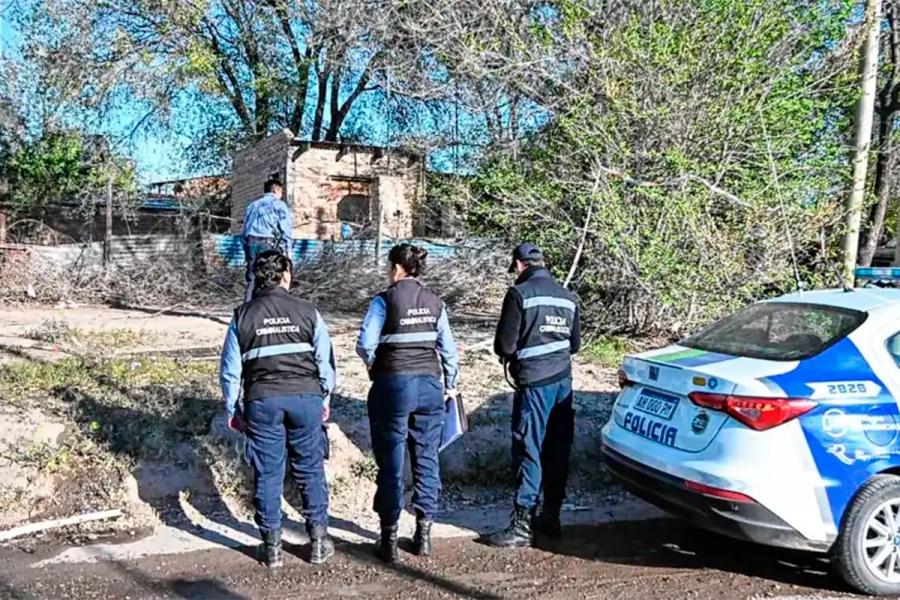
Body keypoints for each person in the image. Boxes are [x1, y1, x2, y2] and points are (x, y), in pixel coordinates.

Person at [219, 250, 336, 568]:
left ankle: (271, 548)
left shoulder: (241, 316)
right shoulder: (308, 311)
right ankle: (319, 542)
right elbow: (326, 363)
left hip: (262, 401)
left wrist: (233, 409)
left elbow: (231, 372)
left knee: (268, 473)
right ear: (286, 274)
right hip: (306, 400)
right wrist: (324, 400)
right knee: (310, 468)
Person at [356, 243, 460, 562]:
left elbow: (364, 343)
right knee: (426, 458)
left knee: (391, 462)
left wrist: (374, 365)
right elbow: (450, 352)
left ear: (397, 268)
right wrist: (450, 386)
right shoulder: (435, 302)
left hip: (392, 385)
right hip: (429, 386)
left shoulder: (384, 300)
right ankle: (423, 534)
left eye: (390, 267)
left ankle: (388, 539)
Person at [484, 242, 580, 548]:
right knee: (557, 450)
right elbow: (574, 345)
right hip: (563, 383)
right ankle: (551, 516)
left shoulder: (519, 295)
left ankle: (522, 525)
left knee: (529, 450)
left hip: (534, 385)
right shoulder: (568, 297)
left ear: (519, 264)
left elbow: (505, 346)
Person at [241, 178, 293, 302]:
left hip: (251, 243)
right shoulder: (278, 204)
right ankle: (268, 310)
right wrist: (288, 250)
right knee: (270, 277)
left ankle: (247, 311)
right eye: (281, 193)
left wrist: (246, 248)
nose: (281, 196)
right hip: (267, 244)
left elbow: (244, 230)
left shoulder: (252, 205)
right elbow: (286, 229)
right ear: (276, 190)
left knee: (252, 278)